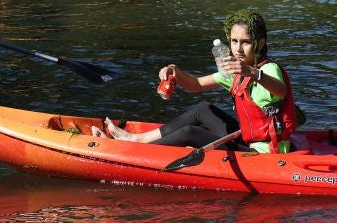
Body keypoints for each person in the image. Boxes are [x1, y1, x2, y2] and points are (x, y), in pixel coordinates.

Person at [98, 10, 297, 154]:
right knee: (203, 109)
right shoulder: (235, 71)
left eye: (245, 42)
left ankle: (132, 153)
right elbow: (196, 85)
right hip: (247, 138)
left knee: (191, 133)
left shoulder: (268, 69)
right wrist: (175, 71)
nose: (238, 48)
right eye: (234, 41)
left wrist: (253, 72)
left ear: (260, 43)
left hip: (266, 153)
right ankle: (135, 139)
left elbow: (281, 91)